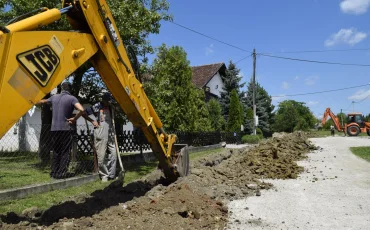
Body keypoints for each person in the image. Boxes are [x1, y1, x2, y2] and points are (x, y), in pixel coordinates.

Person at [37, 82, 98, 179]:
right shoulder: (72, 98)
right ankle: (61, 173)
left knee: (56, 151)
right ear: (70, 89)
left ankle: (54, 172)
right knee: (65, 151)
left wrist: (31, 100)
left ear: (61, 89)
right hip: (65, 128)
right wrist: (74, 119)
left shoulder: (54, 97)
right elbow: (81, 110)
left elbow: (42, 101)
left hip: (54, 129)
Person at [84, 93, 118, 182]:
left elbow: (115, 113)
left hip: (111, 132)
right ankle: (104, 175)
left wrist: (113, 106)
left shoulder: (111, 107)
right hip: (100, 132)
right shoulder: (97, 106)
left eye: (109, 101)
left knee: (114, 154)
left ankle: (112, 174)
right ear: (103, 100)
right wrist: (92, 121)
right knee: (101, 157)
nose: (108, 103)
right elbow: (84, 113)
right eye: (107, 101)